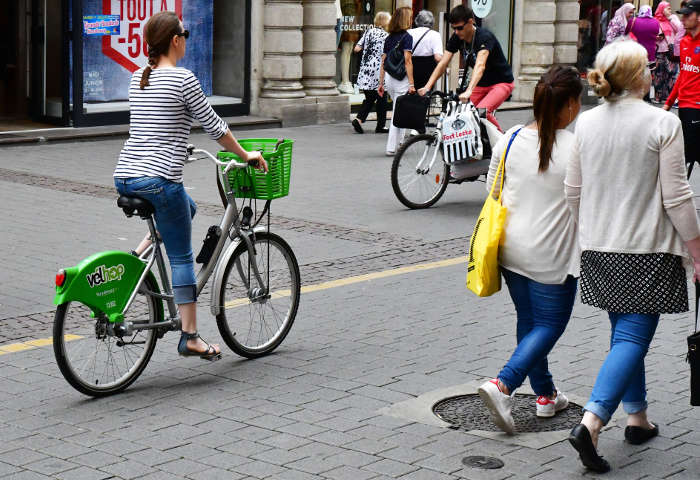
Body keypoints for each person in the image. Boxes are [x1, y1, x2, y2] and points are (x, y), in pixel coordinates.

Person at [565, 39, 700, 473]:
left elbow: (573, 192)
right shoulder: (663, 123)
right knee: (631, 338)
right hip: (647, 249)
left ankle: (637, 416)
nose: (652, 71)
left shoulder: (586, 123)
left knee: (622, 334)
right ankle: (592, 421)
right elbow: (678, 198)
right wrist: (697, 248)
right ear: (637, 76)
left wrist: (586, 232)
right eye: (648, 66)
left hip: (600, 247)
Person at [113, 11, 267, 361]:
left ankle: (137, 261)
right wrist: (245, 154)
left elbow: (154, 126)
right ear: (175, 40)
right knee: (181, 255)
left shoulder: (140, 77)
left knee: (188, 207)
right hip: (157, 180)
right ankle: (191, 336)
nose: (186, 39)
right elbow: (216, 128)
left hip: (125, 174)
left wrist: (180, 145)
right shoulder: (183, 79)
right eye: (184, 34)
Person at [478, 66, 583, 435]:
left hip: (510, 249)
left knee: (529, 321)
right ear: (569, 105)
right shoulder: (576, 148)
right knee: (550, 324)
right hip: (551, 256)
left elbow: (493, 189)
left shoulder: (510, 138)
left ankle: (545, 395)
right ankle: (503, 384)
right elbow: (584, 204)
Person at [417, 5, 514, 130]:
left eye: (459, 28)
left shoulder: (484, 36)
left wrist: (469, 90)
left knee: (482, 112)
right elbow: (442, 63)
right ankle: (476, 145)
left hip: (501, 82)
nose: (456, 32)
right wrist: (427, 86)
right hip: (481, 84)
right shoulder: (457, 38)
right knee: (461, 113)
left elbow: (480, 65)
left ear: (470, 22)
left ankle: (501, 143)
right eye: (454, 28)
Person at [664, 0, 700, 178]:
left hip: (697, 106)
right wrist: (668, 103)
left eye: (688, 15)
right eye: (683, 15)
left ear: (699, 17)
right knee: (689, 153)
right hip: (685, 105)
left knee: (689, 153)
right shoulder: (685, 42)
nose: (683, 18)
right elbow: (683, 76)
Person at [378, 7, 415, 156]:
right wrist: (412, 83)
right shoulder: (407, 37)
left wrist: (380, 83)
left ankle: (400, 143)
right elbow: (408, 61)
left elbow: (383, 61)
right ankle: (391, 147)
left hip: (390, 78)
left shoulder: (389, 38)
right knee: (397, 113)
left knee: (400, 110)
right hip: (401, 79)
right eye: (410, 17)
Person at [352, 11, 391, 134]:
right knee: (381, 98)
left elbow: (357, 48)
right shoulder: (386, 36)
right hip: (378, 71)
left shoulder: (368, 32)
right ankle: (379, 125)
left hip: (365, 70)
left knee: (370, 97)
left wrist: (368, 48)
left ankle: (360, 120)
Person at [653, 2, 682, 103]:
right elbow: (651, 34)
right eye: (667, 8)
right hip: (659, 51)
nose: (669, 10)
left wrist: (670, 18)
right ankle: (658, 97)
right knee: (659, 75)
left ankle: (670, 98)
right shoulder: (655, 20)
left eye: (670, 8)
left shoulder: (673, 18)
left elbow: (680, 29)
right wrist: (656, 37)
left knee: (672, 74)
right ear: (661, 9)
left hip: (671, 51)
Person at [407, 10, 443, 91]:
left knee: (410, 96)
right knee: (425, 95)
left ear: (417, 21)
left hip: (410, 66)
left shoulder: (409, 32)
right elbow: (438, 57)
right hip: (427, 69)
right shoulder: (435, 35)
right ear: (432, 22)